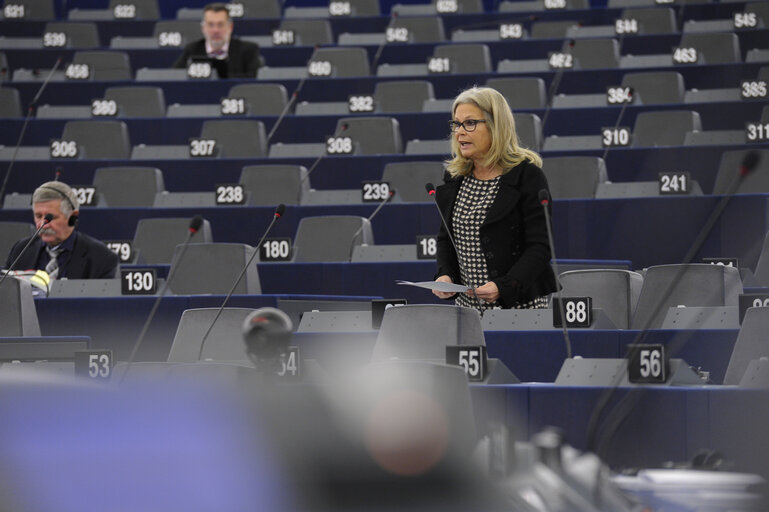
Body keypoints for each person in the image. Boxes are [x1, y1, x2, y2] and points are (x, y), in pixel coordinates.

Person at [432, 86, 557, 311]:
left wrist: (505, 286)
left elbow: (540, 246)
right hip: (466, 309)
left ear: (495, 125)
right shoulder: (455, 176)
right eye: (456, 124)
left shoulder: (527, 176)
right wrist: (445, 275)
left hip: (519, 305)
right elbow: (445, 239)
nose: (460, 132)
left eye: (470, 123)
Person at [4, 181, 118, 279]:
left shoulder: (101, 258)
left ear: (73, 217)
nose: (43, 225)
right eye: (38, 216)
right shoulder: (20, 251)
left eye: (50, 217)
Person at [173, 3, 261, 79]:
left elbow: (253, 81)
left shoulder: (248, 50)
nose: (216, 30)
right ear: (203, 28)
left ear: (230, 27)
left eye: (220, 25)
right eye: (211, 25)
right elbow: (176, 76)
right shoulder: (192, 50)